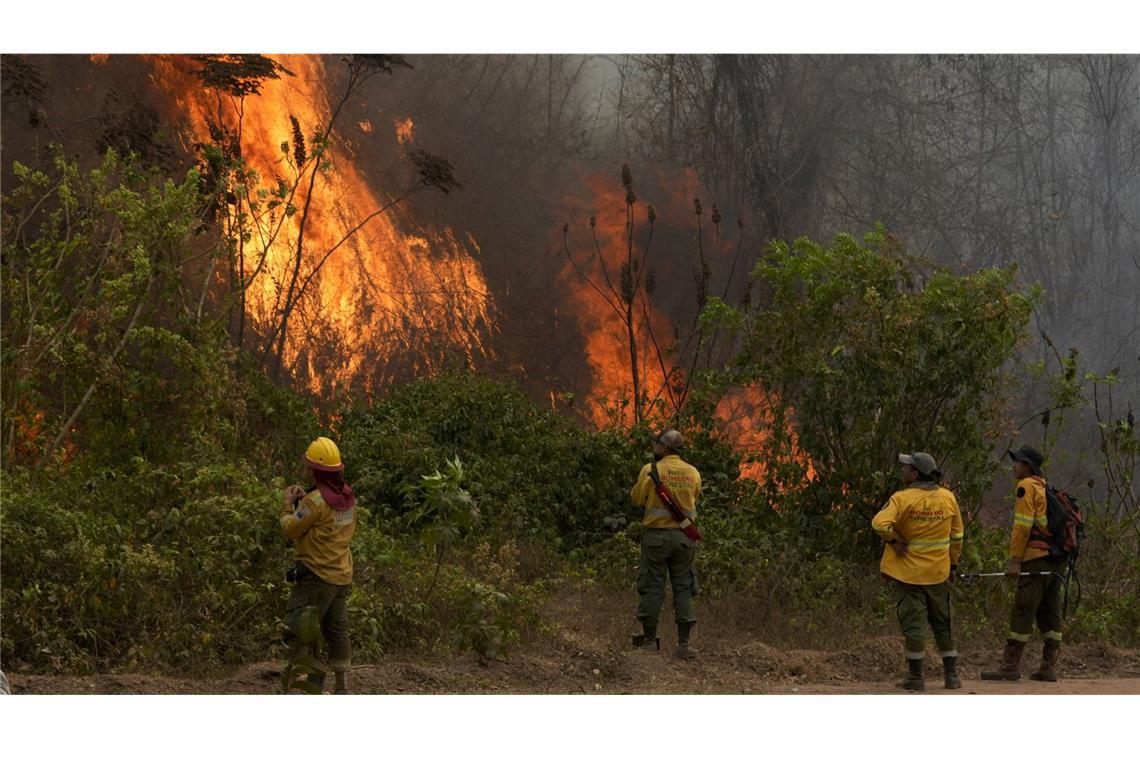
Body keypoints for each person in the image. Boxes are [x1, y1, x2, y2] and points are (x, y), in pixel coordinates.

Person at [871, 452, 964, 691]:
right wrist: (952, 565)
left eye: (906, 468)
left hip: (909, 575)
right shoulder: (948, 497)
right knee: (943, 623)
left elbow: (879, 523)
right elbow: (957, 536)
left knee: (914, 625)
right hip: (939, 574)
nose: (903, 470)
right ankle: (951, 676)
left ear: (915, 474)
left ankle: (915, 678)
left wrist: (894, 540)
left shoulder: (902, 498)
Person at [981, 444, 1065, 682]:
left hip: (1035, 560)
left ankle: (1009, 667)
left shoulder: (1026, 487)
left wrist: (1015, 561)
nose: (1013, 466)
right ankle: (1048, 667)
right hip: (1055, 561)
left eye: (1016, 462)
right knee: (1050, 612)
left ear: (1027, 466)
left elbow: (1022, 527)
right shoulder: (1043, 486)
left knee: (1022, 610)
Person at [280, 436, 358, 694]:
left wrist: (287, 506)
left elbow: (291, 529)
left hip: (316, 576)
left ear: (316, 469)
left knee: (304, 629)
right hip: (341, 576)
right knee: (337, 630)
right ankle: (342, 687)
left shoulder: (314, 502)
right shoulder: (347, 498)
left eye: (308, 465)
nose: (305, 468)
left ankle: (307, 687)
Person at [629, 429, 702, 659]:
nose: (655, 447)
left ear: (665, 448)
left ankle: (649, 641)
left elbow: (637, 499)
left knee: (652, 586)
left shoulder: (650, 470)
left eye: (657, 444)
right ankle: (683, 645)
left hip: (656, 539)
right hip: (684, 539)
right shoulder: (693, 472)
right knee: (683, 588)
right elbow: (694, 500)